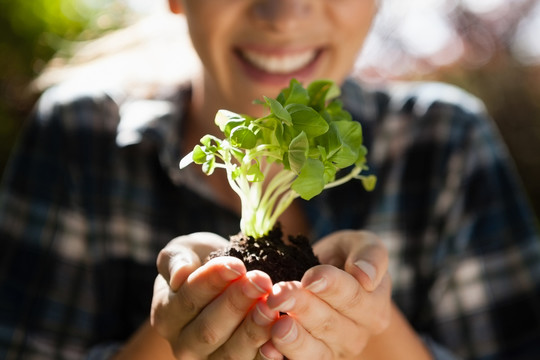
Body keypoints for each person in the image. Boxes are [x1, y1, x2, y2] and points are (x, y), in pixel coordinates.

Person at [1, 0, 539, 359]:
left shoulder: (447, 142)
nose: (283, 15)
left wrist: (371, 325)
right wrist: (173, 336)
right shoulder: (79, 138)